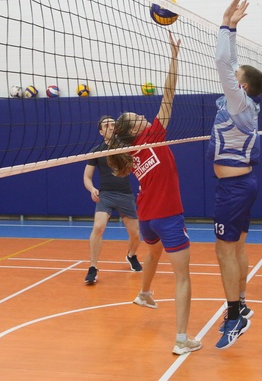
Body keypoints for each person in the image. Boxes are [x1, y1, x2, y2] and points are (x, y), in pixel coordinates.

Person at [107, 32, 201, 356]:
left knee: (153, 253)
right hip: (167, 215)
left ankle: (144, 293)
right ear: (134, 130)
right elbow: (168, 95)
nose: (142, 115)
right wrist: (174, 58)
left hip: (147, 216)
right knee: (183, 279)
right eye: (136, 118)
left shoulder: (130, 152)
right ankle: (181, 338)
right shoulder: (151, 135)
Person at [208, 0, 262, 350]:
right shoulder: (244, 103)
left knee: (223, 251)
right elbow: (229, 61)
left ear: (241, 86)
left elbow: (221, 62)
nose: (233, 73)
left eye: (236, 76)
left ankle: (233, 316)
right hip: (242, 183)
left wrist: (226, 26)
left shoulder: (239, 102)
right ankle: (240, 303)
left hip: (233, 188)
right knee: (238, 246)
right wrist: (231, 27)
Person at [82, 115, 142, 285]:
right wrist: (92, 188)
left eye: (112, 124)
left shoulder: (126, 147)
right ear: (101, 131)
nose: (110, 127)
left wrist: (143, 184)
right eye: (106, 125)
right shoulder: (97, 151)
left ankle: (131, 255)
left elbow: (138, 166)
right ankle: (93, 268)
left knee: (136, 234)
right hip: (106, 195)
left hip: (125, 194)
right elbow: (87, 177)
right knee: (98, 227)